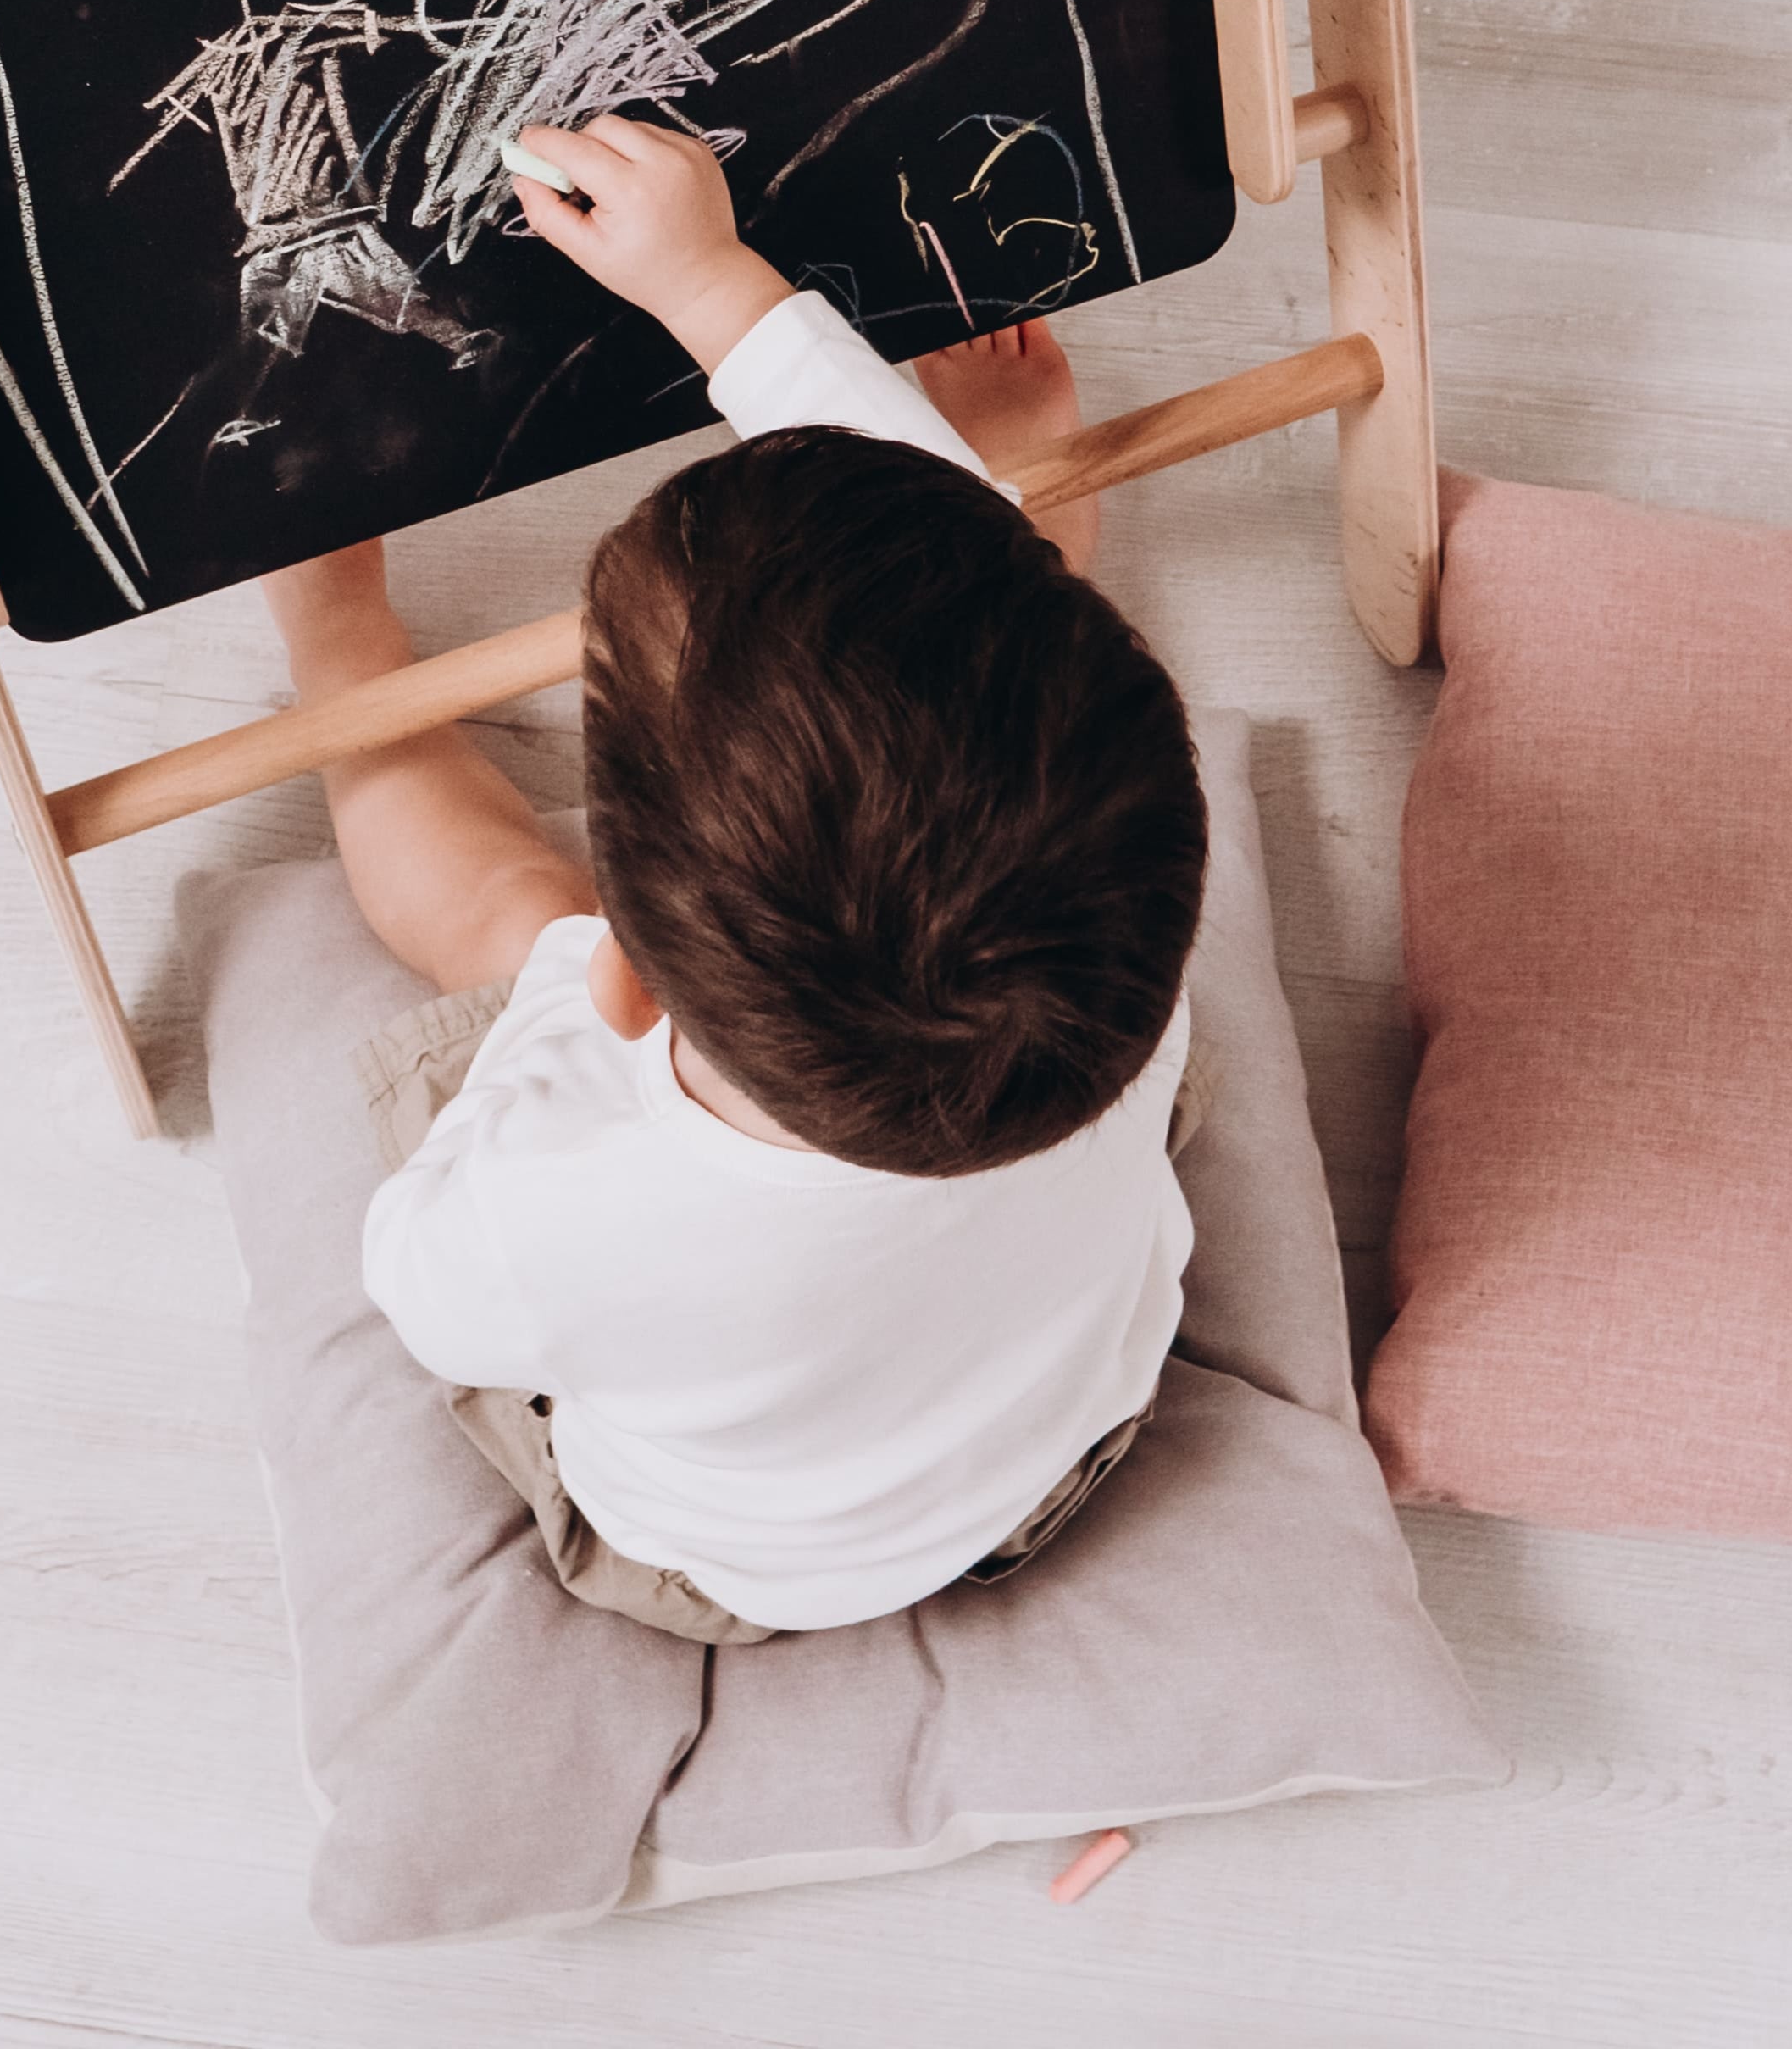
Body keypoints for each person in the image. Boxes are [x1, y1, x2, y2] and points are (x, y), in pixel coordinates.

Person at [260, 114, 1209, 1642]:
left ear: (629, 978)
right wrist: (712, 287)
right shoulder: (1111, 956)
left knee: (504, 922)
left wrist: (555, 1010)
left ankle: (334, 645)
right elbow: (947, 656)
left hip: (746, 1562)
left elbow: (421, 1284)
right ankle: (1035, 527)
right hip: (1068, 1434)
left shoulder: (554, 1209)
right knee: (982, 750)